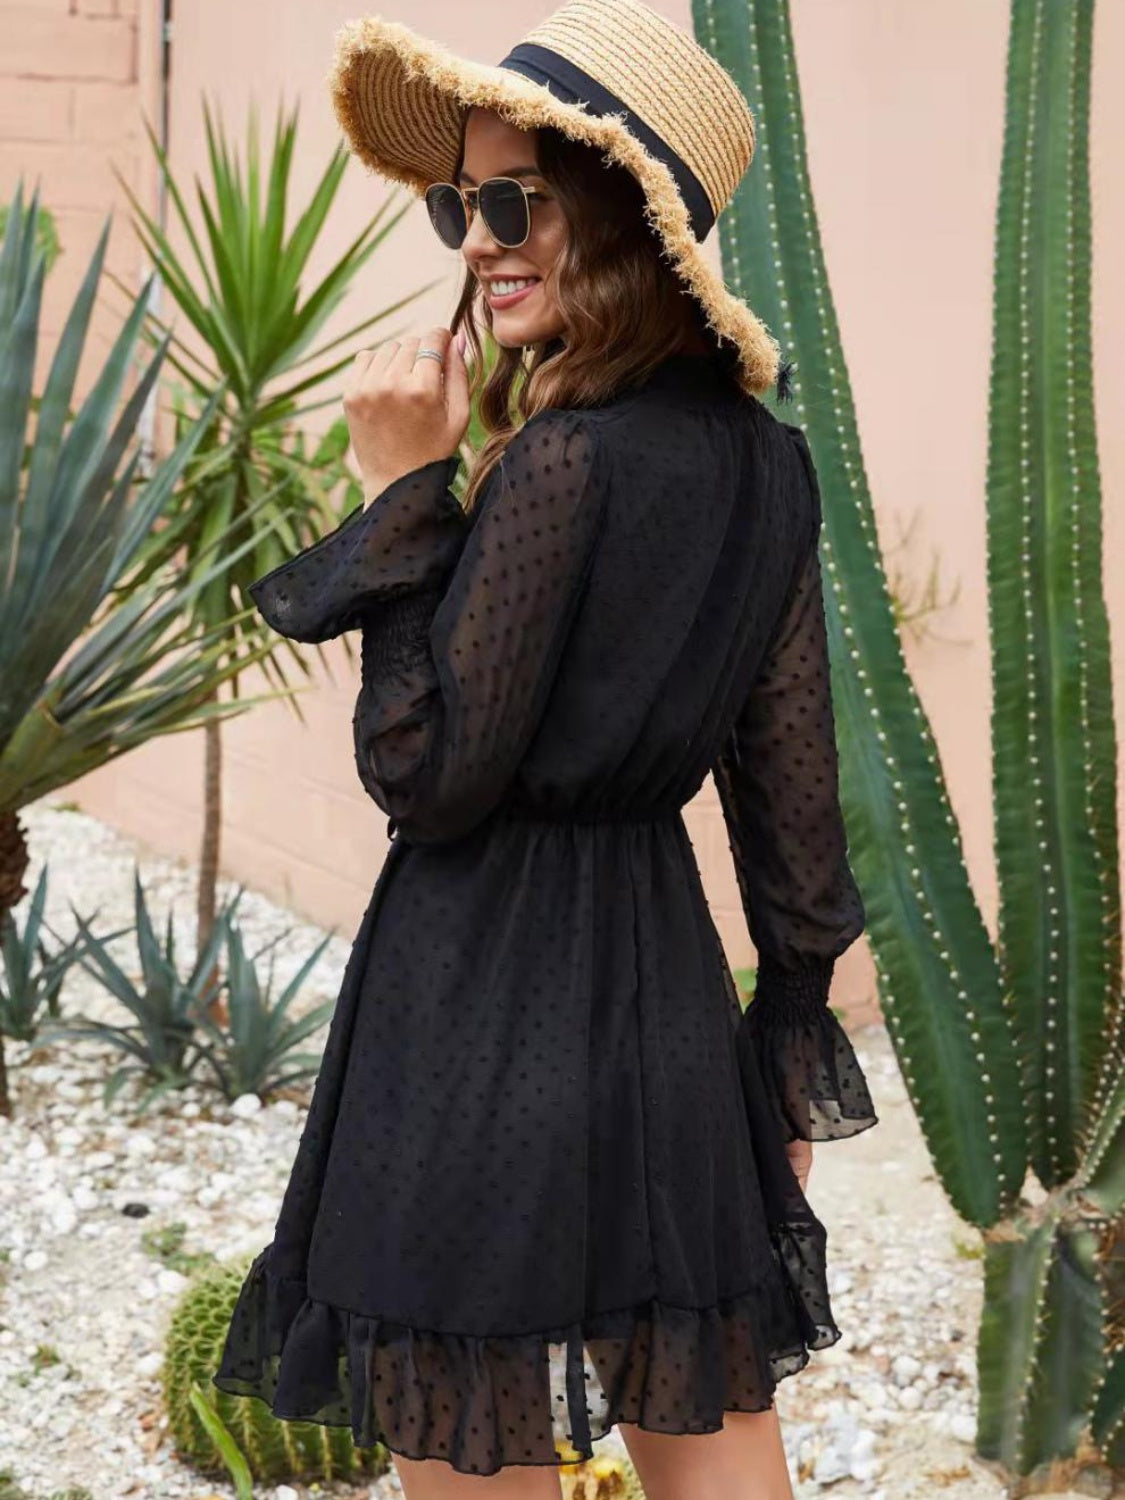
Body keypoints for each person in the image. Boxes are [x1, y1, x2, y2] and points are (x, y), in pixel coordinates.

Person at [211, 2, 879, 1497]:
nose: (474, 241)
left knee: (475, 1420)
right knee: (701, 1416)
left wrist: (402, 492)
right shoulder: (769, 465)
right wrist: (780, 1045)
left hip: (480, 1002)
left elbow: (430, 776)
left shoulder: (563, 460)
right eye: (460, 204)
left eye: (512, 204)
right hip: (659, 1000)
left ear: (623, 218)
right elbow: (790, 796)